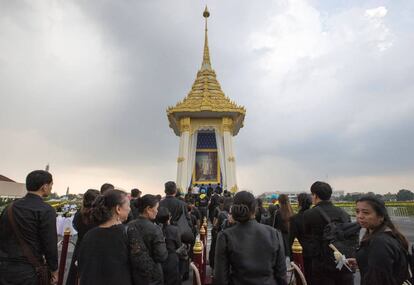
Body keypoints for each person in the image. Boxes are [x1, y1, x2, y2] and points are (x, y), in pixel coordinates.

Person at [214, 191, 287, 285]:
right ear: (255, 208)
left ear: (234, 209)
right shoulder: (274, 233)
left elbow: (220, 278)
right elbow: (281, 275)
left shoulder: (225, 236)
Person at [0, 170, 58, 285]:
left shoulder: (9, 208)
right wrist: (54, 270)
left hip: (4, 267)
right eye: (51, 184)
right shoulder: (46, 210)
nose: (51, 187)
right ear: (44, 187)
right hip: (29, 270)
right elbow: (50, 244)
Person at [347, 195, 410, 285]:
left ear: (381, 216)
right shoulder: (389, 234)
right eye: (357, 211)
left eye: (366, 213)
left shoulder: (380, 242)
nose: (360, 216)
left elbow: (377, 279)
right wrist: (362, 261)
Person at [304, 181, 353, 285]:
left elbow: (306, 238)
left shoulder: (309, 214)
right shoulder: (343, 213)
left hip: (321, 263)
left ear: (315, 195)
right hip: (343, 261)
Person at [78, 189, 132, 285]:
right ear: (118, 209)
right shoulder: (128, 234)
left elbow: (83, 268)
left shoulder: (89, 235)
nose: (130, 209)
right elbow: (141, 268)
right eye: (128, 205)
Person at [128, 194, 168, 285]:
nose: (157, 211)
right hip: (152, 274)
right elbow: (161, 256)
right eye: (156, 208)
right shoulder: (155, 229)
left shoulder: (129, 225)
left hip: (134, 273)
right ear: (148, 209)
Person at [66, 189, 100, 285]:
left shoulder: (78, 215)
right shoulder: (97, 216)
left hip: (80, 246)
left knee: (75, 275)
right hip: (93, 249)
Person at [289, 193, 313, 284]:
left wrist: (291, 257)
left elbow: (292, 238)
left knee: (301, 277)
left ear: (299, 203)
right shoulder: (315, 215)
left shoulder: (295, 218)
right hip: (316, 252)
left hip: (301, 252)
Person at [156, 207, 181, 285]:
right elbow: (178, 245)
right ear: (169, 218)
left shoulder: (155, 229)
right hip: (171, 258)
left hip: (158, 259)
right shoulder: (174, 230)